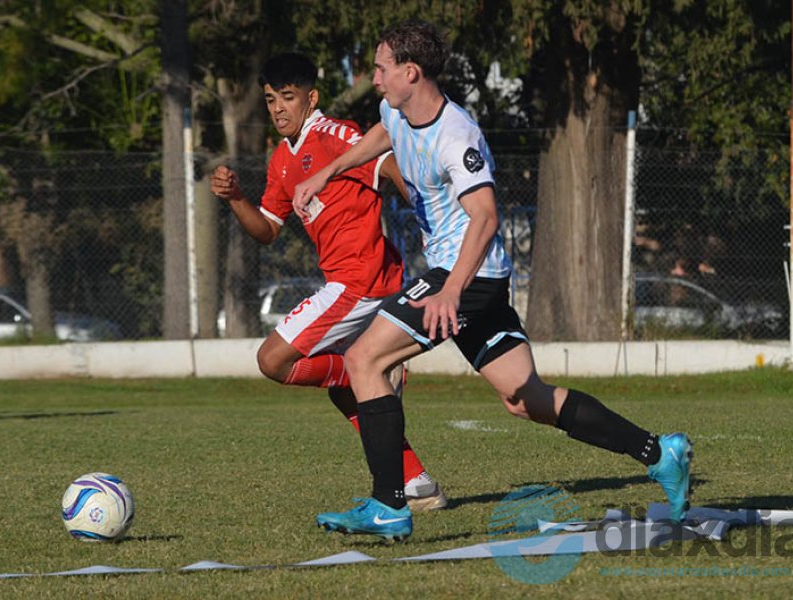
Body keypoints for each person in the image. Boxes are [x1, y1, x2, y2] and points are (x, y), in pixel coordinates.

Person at [293, 20, 693, 541]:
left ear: (410, 72)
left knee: (363, 358)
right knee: (524, 398)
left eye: (380, 68)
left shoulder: (457, 135)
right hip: (469, 277)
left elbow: (484, 216)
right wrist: (330, 170)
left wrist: (451, 291)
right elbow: (383, 135)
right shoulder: (396, 109)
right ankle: (660, 453)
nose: (374, 77)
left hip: (467, 276)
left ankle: (389, 503)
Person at [210, 52, 447, 511]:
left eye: (288, 97)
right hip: (348, 282)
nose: (278, 108)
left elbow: (389, 164)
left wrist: (427, 217)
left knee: (272, 360)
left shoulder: (335, 135)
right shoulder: (282, 159)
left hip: (362, 280)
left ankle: (376, 371)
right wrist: (237, 198)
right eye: (270, 99)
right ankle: (416, 482)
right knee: (345, 393)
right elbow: (267, 230)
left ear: (310, 98)